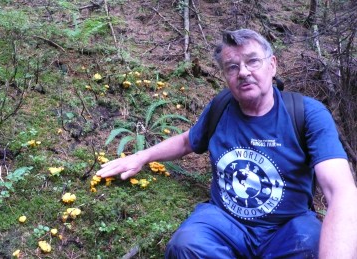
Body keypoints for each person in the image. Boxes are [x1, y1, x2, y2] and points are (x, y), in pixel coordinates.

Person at [97, 29, 357, 258]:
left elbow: (341, 191)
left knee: (311, 247)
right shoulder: (221, 108)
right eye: (232, 67)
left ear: (273, 65)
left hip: (289, 226)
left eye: (253, 61)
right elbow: (188, 141)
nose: (243, 72)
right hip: (225, 221)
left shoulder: (307, 114)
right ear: (225, 75)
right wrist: (141, 157)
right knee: (186, 246)